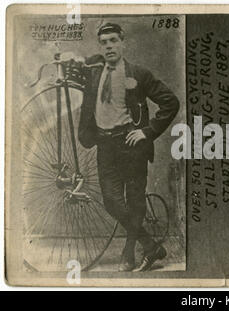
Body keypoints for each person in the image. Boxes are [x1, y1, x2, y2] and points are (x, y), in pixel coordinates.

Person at [78, 23, 180, 271]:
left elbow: (170, 102)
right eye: (104, 42)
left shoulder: (138, 74)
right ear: (100, 46)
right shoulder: (94, 73)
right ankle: (150, 245)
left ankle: (129, 253)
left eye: (113, 40)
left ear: (123, 43)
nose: (109, 46)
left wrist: (147, 132)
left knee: (134, 201)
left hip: (131, 145)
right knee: (112, 201)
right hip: (105, 145)